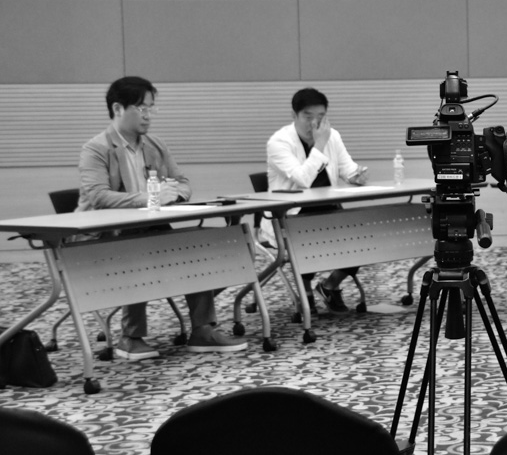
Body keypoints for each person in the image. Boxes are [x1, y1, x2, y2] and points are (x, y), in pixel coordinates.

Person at [78, 76, 248, 361]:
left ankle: (203, 330)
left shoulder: (155, 145)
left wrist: (175, 194)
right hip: (105, 236)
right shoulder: (96, 149)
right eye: (141, 108)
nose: (148, 115)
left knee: (196, 244)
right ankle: (130, 337)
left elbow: (183, 182)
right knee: (135, 246)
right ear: (118, 109)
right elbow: (99, 196)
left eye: (151, 108)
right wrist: (150, 197)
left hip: (150, 227)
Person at [266, 88, 369, 313]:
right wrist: (320, 145)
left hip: (328, 209)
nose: (314, 123)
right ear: (294, 116)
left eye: (320, 117)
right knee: (309, 235)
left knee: (363, 236)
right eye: (308, 117)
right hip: (291, 215)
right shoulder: (279, 142)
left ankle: (329, 286)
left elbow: (348, 169)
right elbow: (303, 179)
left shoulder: (333, 136)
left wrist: (356, 176)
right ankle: (305, 293)